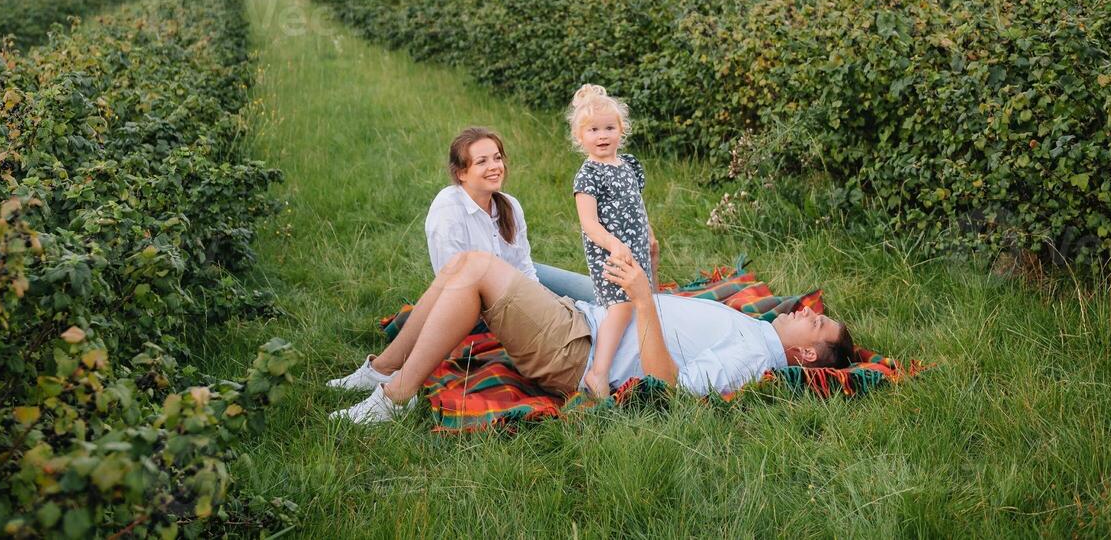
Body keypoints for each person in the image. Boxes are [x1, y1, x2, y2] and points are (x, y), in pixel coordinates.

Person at [327, 247, 854, 424]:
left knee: (480, 271)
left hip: (575, 351)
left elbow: (672, 385)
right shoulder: (753, 326)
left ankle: (394, 400)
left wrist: (645, 300)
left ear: (805, 352)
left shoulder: (754, 356)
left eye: (817, 321)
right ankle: (382, 370)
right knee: (469, 261)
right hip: (587, 320)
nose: (809, 311)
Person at [326, 126, 592, 390]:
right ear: (462, 173)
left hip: (517, 283)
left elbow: (524, 265)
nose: (494, 166)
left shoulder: (509, 205)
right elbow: (452, 282)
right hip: (485, 297)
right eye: (482, 161)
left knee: (596, 293)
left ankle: (592, 319)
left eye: (497, 157)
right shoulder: (448, 208)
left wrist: (548, 305)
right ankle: (379, 372)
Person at [567, 84, 660, 398]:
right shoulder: (588, 174)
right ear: (580, 137)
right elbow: (589, 223)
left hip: (636, 247)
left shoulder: (629, 166)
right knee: (620, 307)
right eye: (593, 130)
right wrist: (614, 245)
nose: (602, 135)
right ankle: (599, 372)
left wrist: (648, 232)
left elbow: (638, 203)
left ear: (622, 131)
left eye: (609, 127)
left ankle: (641, 357)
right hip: (610, 253)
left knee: (644, 300)